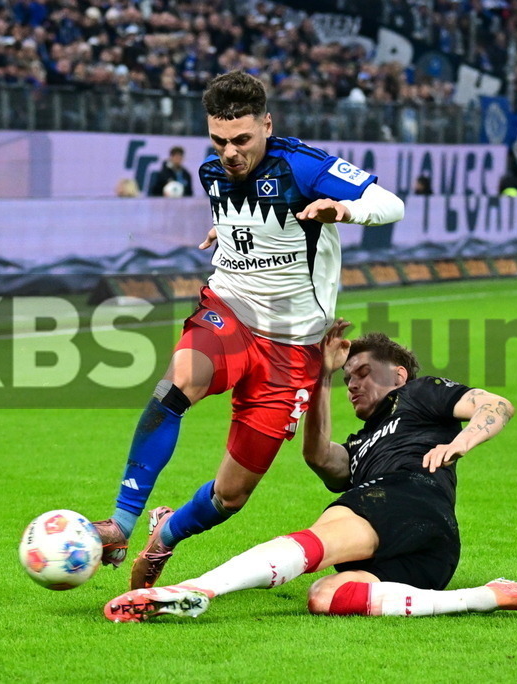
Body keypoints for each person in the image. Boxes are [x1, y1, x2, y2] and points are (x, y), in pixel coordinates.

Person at [93, 71, 405, 591]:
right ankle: (120, 525)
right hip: (230, 311)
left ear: (267, 125)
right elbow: (251, 213)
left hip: (293, 348)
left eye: (241, 139)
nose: (230, 153)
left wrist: (343, 208)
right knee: (175, 388)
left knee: (231, 495)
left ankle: (165, 533)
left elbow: (392, 204)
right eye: (219, 140)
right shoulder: (211, 172)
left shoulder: (304, 166)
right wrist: (230, 229)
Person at [104, 327, 517, 622]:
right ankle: (487, 596)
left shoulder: (420, 395)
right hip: (431, 555)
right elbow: (320, 456)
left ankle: (197, 590)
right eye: (348, 380)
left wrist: (461, 442)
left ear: (399, 375)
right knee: (324, 595)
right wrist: (320, 377)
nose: (354, 385)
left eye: (363, 373)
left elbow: (496, 405)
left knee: (318, 538)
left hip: (407, 496)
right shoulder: (361, 445)